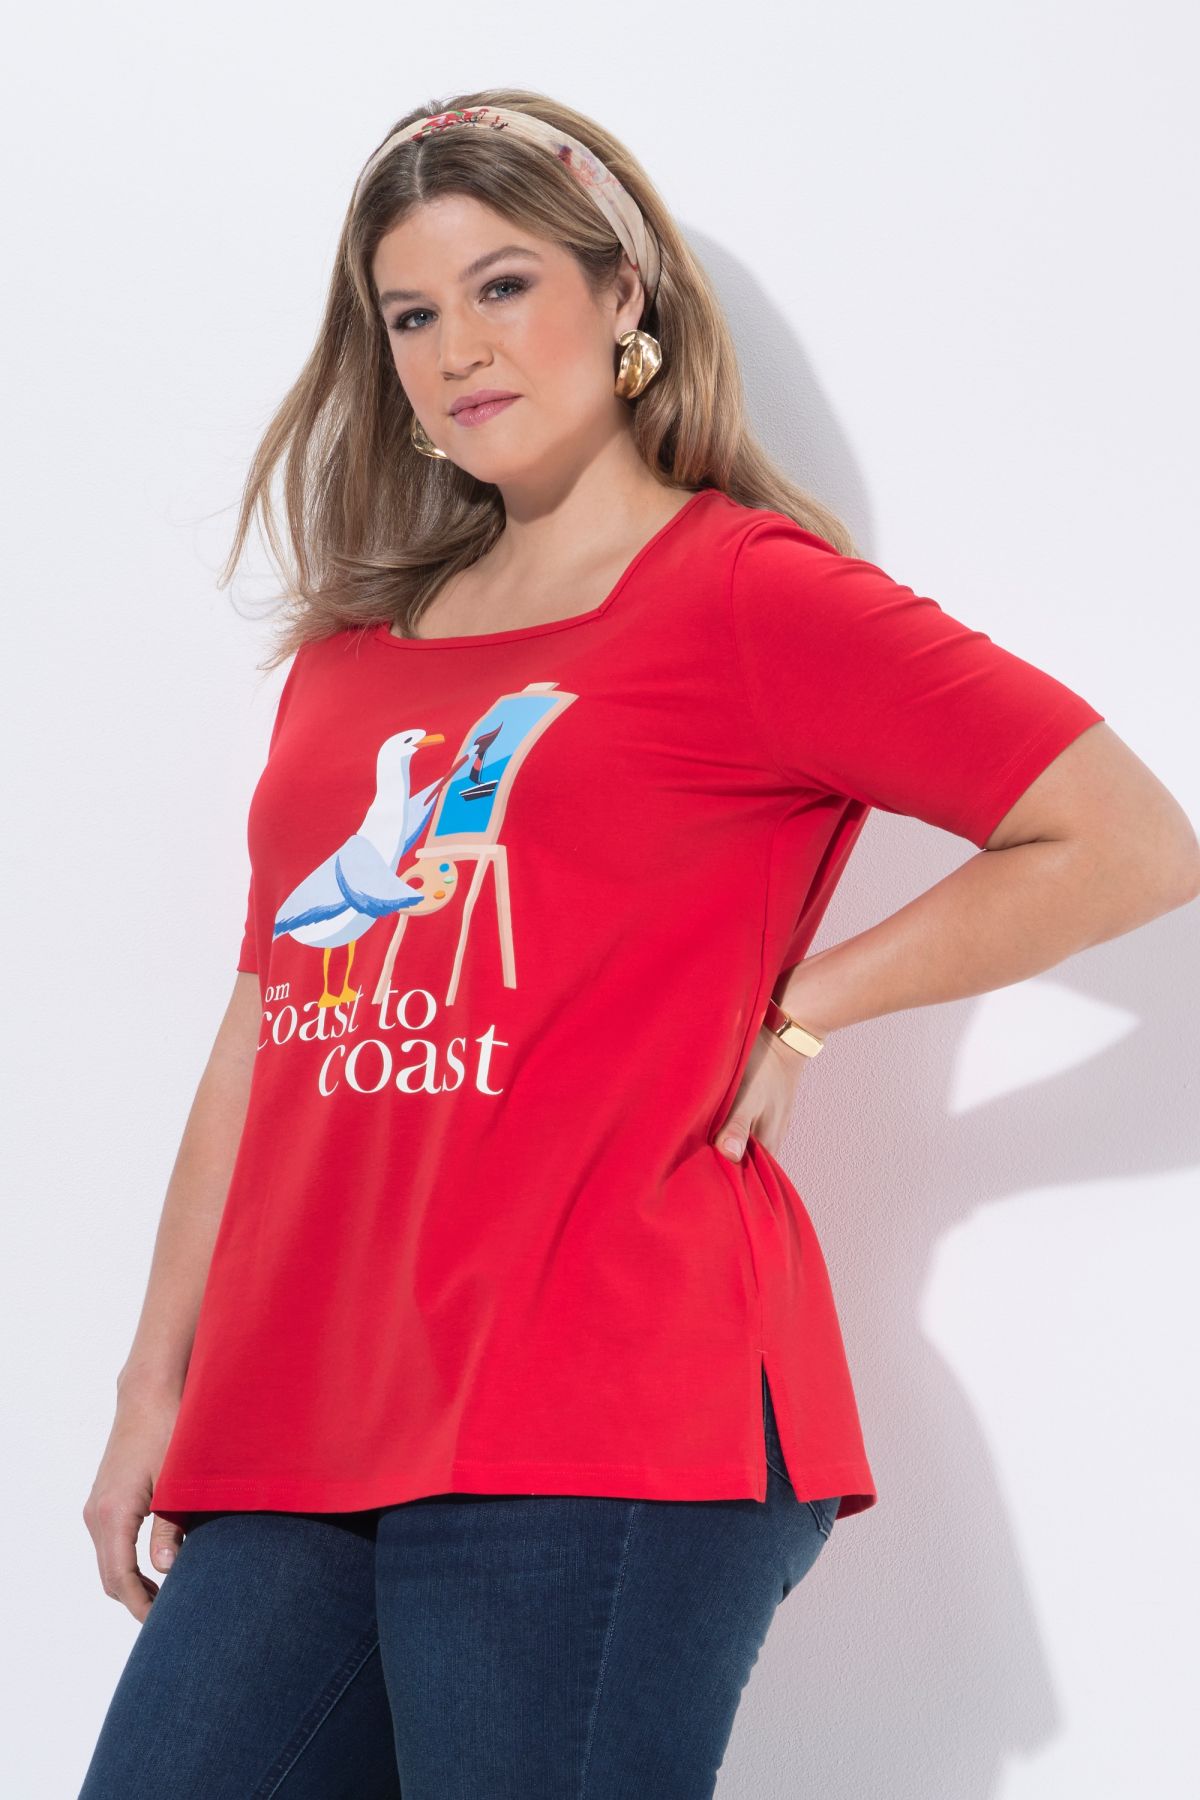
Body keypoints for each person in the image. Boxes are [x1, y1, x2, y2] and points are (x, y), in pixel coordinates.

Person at [78, 87, 1199, 1799]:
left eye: (504, 285)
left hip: (601, 1406)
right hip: (303, 1418)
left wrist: (813, 1003)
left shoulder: (751, 595)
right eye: (410, 314)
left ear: (624, 296)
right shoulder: (347, 666)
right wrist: (153, 1386)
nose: (458, 347)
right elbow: (263, 1033)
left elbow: (1127, 839)